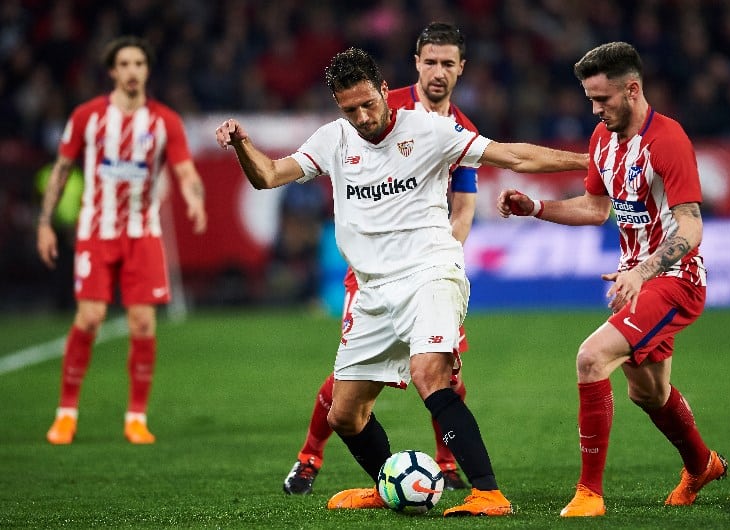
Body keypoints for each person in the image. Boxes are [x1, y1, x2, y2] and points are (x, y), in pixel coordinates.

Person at [216, 46, 586, 517]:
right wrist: (243, 144)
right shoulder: (333, 140)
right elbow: (268, 176)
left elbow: (513, 155)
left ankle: (488, 493)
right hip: (372, 289)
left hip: (429, 273)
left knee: (430, 374)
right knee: (344, 414)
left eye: (368, 104)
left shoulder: (428, 130)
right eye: (350, 110)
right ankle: (387, 484)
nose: (363, 117)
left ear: (385, 90)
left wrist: (589, 161)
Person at [497, 41, 727, 517]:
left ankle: (589, 493)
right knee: (649, 392)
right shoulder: (603, 139)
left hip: (674, 278)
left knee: (591, 357)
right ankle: (702, 464)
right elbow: (595, 208)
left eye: (602, 99)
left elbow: (691, 227)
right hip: (636, 280)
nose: (595, 110)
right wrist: (535, 208)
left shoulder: (668, 140)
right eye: (590, 100)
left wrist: (642, 271)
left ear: (632, 90)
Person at [283, 21, 477, 496]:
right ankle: (309, 457)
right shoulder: (382, 108)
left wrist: (438, 257)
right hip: (372, 274)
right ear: (415, 64)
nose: (437, 72)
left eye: (447, 63)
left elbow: (463, 206)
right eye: (429, 62)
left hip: (427, 268)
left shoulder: (461, 130)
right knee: (347, 377)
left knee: (446, 373)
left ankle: (446, 463)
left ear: (460, 68)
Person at [37, 35, 207, 445]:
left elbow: (185, 171)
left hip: (142, 233)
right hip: (96, 232)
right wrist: (44, 222)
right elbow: (61, 169)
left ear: (147, 71)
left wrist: (195, 200)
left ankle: (136, 418)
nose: (133, 71)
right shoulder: (87, 117)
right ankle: (66, 414)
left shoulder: (165, 121)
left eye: (139, 64)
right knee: (90, 317)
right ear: (113, 71)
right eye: (125, 64)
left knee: (143, 323)